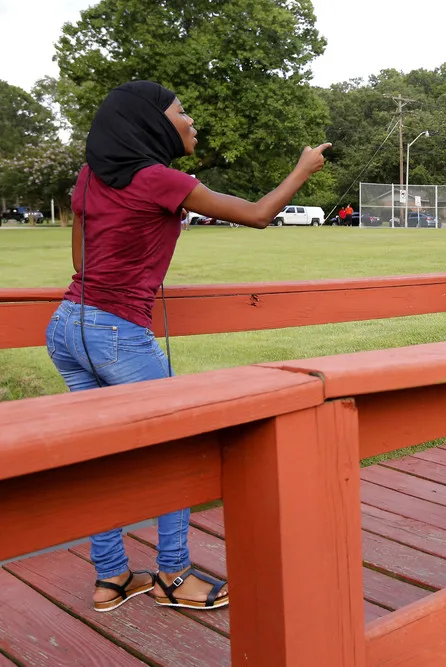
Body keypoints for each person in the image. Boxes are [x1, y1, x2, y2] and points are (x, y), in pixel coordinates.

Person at [45, 81, 330, 613]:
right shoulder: (160, 180)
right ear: (152, 123)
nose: (191, 120)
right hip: (115, 334)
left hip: (66, 326)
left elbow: (82, 266)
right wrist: (303, 169)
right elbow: (258, 213)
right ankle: (174, 575)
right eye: (182, 111)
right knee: (176, 454)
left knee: (102, 460)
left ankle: (112, 578)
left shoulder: (89, 177)